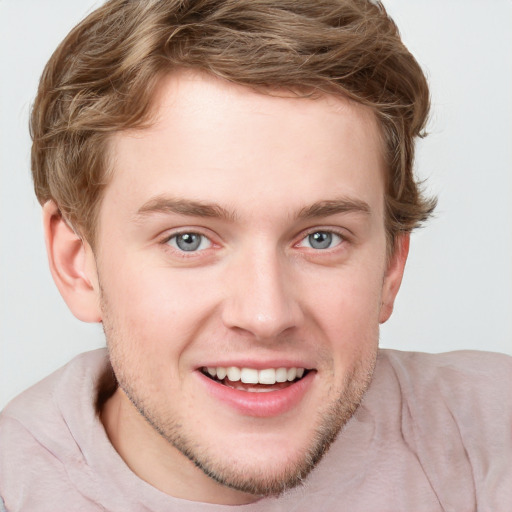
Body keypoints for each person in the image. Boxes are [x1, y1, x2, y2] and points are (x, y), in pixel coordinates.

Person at [0, 0, 510, 510]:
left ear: (390, 268)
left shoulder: (490, 437)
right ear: (77, 264)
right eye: (189, 239)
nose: (266, 316)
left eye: (321, 238)